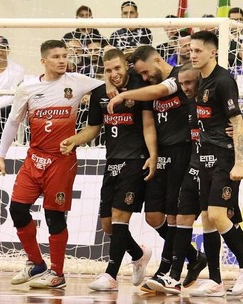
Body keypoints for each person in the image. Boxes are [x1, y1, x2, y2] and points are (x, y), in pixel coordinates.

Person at [0, 40, 103, 289]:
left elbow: (108, 86)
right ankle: (36, 263)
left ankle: (58, 274)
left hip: (61, 161)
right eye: (56, 57)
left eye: (64, 56)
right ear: (43, 61)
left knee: (54, 216)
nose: (62, 60)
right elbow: (13, 122)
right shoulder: (27, 88)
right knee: (18, 210)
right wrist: (1, 157)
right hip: (34, 159)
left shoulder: (77, 81)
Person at [106, 46, 207, 293]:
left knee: (174, 215)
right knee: (154, 217)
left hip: (183, 152)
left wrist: (121, 96)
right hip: (160, 153)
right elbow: (149, 122)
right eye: (139, 75)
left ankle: (166, 269)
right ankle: (194, 258)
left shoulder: (178, 76)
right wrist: (153, 155)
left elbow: (160, 89)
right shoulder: (147, 89)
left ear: (158, 60)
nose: (143, 77)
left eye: (145, 72)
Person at [147, 63, 243, 295]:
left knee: (221, 217)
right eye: (182, 83)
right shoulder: (184, 105)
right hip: (196, 165)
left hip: (221, 163)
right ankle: (196, 277)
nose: (185, 87)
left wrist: (241, 135)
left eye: (189, 82)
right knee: (199, 217)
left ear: (200, 82)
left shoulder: (214, 97)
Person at [60, 48, 156, 291]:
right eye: (108, 70)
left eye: (118, 68)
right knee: (108, 225)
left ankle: (111, 275)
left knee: (120, 219)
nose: (114, 74)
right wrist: (74, 139)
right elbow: (93, 128)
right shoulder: (100, 93)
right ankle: (138, 254)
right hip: (111, 161)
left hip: (136, 161)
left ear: (127, 66)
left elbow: (147, 125)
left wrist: (152, 155)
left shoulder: (139, 86)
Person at [188, 30, 243, 297]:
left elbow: (237, 122)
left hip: (224, 158)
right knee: (207, 218)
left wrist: (240, 162)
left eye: (198, 51)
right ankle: (215, 280)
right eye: (191, 50)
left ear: (212, 52)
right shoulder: (200, 81)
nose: (193, 55)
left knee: (218, 215)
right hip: (205, 157)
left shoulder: (223, 80)